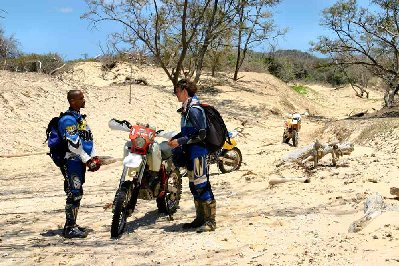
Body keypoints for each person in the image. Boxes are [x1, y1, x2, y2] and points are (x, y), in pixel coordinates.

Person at [168, 79, 216, 232]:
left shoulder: (194, 109)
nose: (175, 94)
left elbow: (201, 134)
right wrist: (176, 139)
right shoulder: (187, 108)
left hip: (198, 153)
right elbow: (188, 132)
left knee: (201, 185)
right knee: (193, 185)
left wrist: (179, 141)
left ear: (184, 91)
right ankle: (200, 218)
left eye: (177, 91)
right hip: (190, 153)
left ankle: (210, 222)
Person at [58, 89, 101, 238]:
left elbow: (88, 138)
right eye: (81, 98)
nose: (84, 100)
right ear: (72, 101)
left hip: (80, 161)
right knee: (74, 193)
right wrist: (87, 159)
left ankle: (73, 224)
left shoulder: (80, 118)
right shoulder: (68, 120)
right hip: (72, 161)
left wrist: (94, 156)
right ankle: (69, 227)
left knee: (78, 192)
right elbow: (73, 144)